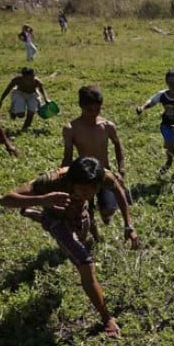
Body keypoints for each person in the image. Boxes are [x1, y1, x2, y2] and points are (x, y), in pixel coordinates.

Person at [1, 156, 138, 338]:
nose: (85, 194)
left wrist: (129, 226)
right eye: (81, 190)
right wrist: (43, 199)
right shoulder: (51, 180)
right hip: (57, 217)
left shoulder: (103, 176)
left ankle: (33, 214)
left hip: (78, 214)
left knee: (81, 232)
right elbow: (5, 199)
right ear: (71, 182)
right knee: (85, 263)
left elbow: (119, 192)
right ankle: (107, 319)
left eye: (91, 191)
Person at [63, 85, 129, 239]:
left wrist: (121, 169)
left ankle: (105, 212)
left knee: (109, 209)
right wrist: (64, 175)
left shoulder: (107, 126)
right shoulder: (71, 128)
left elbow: (118, 146)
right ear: (81, 106)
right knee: (87, 211)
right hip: (83, 175)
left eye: (97, 110)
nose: (93, 114)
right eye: (89, 110)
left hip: (103, 173)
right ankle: (96, 236)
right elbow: (67, 155)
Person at [136, 69, 174, 176]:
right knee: (170, 146)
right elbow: (152, 101)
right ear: (166, 82)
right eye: (170, 83)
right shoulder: (162, 95)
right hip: (167, 126)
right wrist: (143, 107)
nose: (173, 86)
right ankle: (168, 163)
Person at [0, 67, 52, 132]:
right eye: (29, 78)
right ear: (23, 77)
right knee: (20, 115)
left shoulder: (37, 81)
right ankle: (13, 110)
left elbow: (42, 90)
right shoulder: (17, 80)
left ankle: (25, 128)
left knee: (31, 112)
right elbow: (8, 89)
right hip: (20, 94)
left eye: (33, 76)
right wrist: (1, 99)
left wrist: (46, 99)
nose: (32, 79)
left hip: (32, 95)